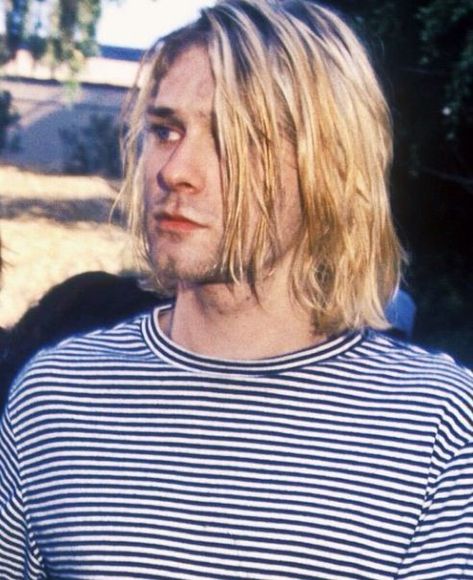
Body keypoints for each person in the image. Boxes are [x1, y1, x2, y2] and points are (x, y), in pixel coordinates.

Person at [0, 1, 472, 578]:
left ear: (330, 165)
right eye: (165, 130)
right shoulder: (56, 394)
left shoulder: (437, 424)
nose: (175, 170)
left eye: (234, 139)